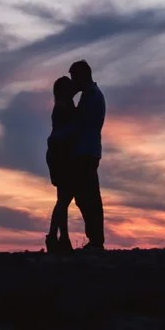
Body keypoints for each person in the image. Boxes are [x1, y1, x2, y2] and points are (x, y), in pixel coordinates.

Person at [63, 59, 105, 252]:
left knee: (89, 197)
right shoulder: (90, 95)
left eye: (74, 77)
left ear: (82, 76)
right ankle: (95, 239)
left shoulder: (92, 96)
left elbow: (79, 124)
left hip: (86, 152)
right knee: (86, 196)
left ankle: (96, 240)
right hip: (87, 151)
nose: (73, 81)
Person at [42, 76, 78, 253]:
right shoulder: (65, 108)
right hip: (62, 156)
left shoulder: (62, 106)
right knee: (64, 199)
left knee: (63, 200)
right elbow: (68, 132)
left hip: (59, 156)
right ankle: (55, 237)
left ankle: (62, 238)